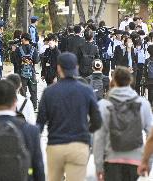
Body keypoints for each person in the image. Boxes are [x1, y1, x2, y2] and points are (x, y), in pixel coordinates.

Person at [37, 52, 102, 181]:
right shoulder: (86, 90)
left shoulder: (49, 92)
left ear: (59, 68)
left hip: (55, 145)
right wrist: (86, 130)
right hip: (79, 145)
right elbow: (98, 121)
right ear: (76, 67)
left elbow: (40, 123)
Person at [93, 67, 153, 181]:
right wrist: (147, 162)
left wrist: (98, 166)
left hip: (111, 159)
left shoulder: (103, 105)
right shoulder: (142, 103)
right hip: (135, 160)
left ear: (114, 81)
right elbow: (151, 134)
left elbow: (98, 138)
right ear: (130, 80)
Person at [13, 33, 39, 109]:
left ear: (24, 39)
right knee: (33, 90)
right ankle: (34, 105)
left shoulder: (18, 49)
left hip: (21, 72)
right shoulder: (34, 49)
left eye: (22, 38)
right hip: (31, 72)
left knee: (22, 91)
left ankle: (22, 106)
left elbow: (15, 61)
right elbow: (37, 61)